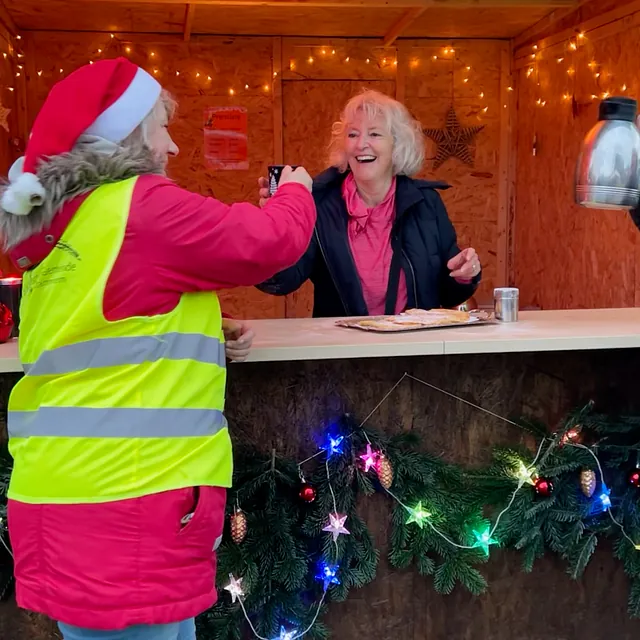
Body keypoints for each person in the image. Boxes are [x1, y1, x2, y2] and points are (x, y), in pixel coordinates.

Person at [0, 57, 315, 640]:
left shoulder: (66, 224)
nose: (171, 146)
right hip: (126, 504)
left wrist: (200, 328)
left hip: (77, 497)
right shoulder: (140, 208)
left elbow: (96, 327)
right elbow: (269, 241)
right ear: (126, 137)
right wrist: (297, 191)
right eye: (161, 127)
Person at [257, 89, 481, 317]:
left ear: (397, 145)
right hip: (345, 348)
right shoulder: (319, 204)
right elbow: (282, 282)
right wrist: (273, 229)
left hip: (414, 347)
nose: (361, 144)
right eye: (353, 135)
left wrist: (464, 273)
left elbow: (450, 295)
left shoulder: (427, 202)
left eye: (374, 134)